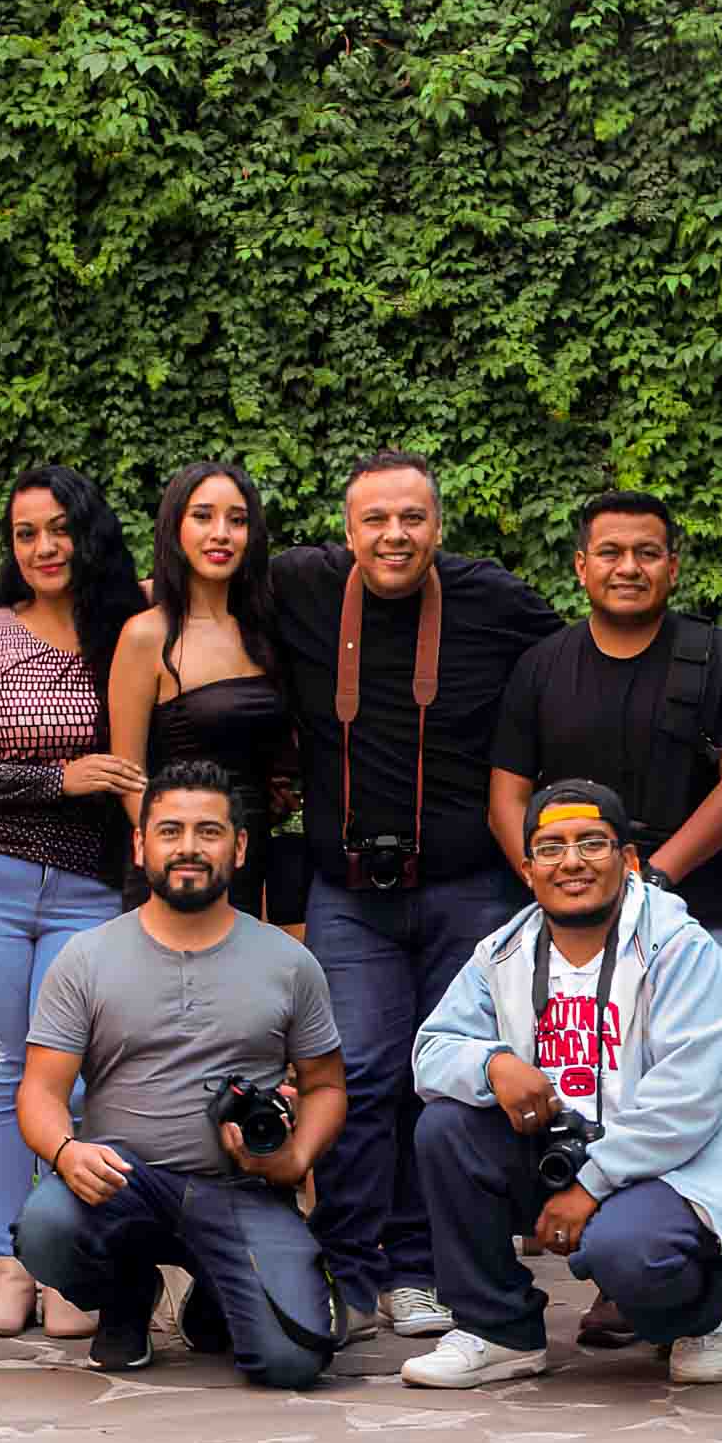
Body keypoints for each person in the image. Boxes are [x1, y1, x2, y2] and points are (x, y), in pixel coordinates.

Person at [271, 450, 563, 1340]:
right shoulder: (301, 586)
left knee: (448, 1080)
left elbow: (584, 660)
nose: (394, 535)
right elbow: (188, 594)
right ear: (347, 530)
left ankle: (422, 1270)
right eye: (376, 519)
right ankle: (349, 1271)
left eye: (412, 518)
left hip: (467, 889)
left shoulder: (492, 599)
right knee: (355, 1074)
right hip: (349, 891)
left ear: (438, 524)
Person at [486, 490, 722, 1347]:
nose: (628, 567)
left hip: (688, 914)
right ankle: (596, 1276)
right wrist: (551, 878)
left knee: (681, 1102)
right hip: (568, 925)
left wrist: (657, 875)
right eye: (609, 552)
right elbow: (507, 794)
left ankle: (663, 1274)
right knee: (581, 1092)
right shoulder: (542, 667)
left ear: (672, 566)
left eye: (647, 552)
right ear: (581, 567)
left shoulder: (718, 658)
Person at [400, 779, 722, 1388]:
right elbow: (431, 1051)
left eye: (592, 843)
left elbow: (688, 1104)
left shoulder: (682, 949)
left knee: (629, 1253)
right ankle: (498, 1330)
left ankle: (699, 1316)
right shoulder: (503, 952)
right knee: (446, 1127)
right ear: (527, 870)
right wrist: (492, 1065)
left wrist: (590, 1188)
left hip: (667, 1167)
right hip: (554, 1152)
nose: (571, 862)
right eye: (551, 848)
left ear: (629, 860)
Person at [10, 760, 348, 1386]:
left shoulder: (289, 962)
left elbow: (326, 1085)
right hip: (121, 1183)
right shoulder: (86, 958)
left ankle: (219, 1293)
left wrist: (297, 1156)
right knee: (47, 1227)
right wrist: (65, 1151)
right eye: (170, 831)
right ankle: (128, 1292)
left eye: (207, 832)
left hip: (243, 1189)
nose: (188, 847)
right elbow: (39, 1090)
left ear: (239, 848)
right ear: (141, 845)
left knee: (291, 1362)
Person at [0, 464, 146, 1337]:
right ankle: (10, 1262)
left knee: (77, 1080)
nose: (44, 548)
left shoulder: (130, 631)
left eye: (60, 529)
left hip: (91, 883)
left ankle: (65, 1261)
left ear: (91, 533)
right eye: (25, 533)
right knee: (1, 1072)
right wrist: (59, 778)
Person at [108, 461, 286, 917]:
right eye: (203, 516)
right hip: (172, 868)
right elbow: (127, 774)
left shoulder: (268, 629)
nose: (221, 534)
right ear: (175, 528)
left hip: (249, 857)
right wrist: (175, 852)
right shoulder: (145, 634)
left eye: (237, 520)